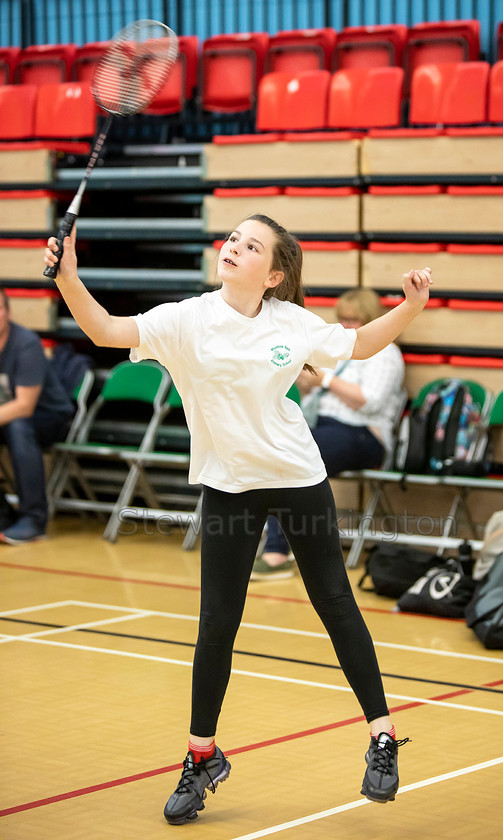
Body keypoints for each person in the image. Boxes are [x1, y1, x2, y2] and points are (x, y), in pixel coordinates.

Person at [44, 214, 432, 824]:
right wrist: (67, 276)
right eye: (232, 239)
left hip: (298, 475)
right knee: (217, 624)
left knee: (334, 600)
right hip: (228, 484)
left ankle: (382, 738)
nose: (233, 247)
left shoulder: (291, 323)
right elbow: (104, 330)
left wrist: (410, 306)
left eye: (251, 246)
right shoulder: (185, 319)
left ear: (273, 274)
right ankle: (202, 757)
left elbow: (356, 345)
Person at [252, 288, 405, 580]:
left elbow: (368, 401)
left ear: (371, 319)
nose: (347, 326)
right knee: (277, 455)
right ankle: (283, 547)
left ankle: (277, 551)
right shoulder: (338, 349)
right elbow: (313, 392)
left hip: (363, 434)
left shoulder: (386, 351)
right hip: (324, 426)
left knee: (293, 460)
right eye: (343, 319)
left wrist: (327, 379)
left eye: (355, 320)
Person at [0, 288, 74, 544]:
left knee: (18, 426)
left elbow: (24, 406)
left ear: (7, 312)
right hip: (7, 418)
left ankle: (34, 520)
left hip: (50, 418)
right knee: (13, 426)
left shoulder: (25, 343)